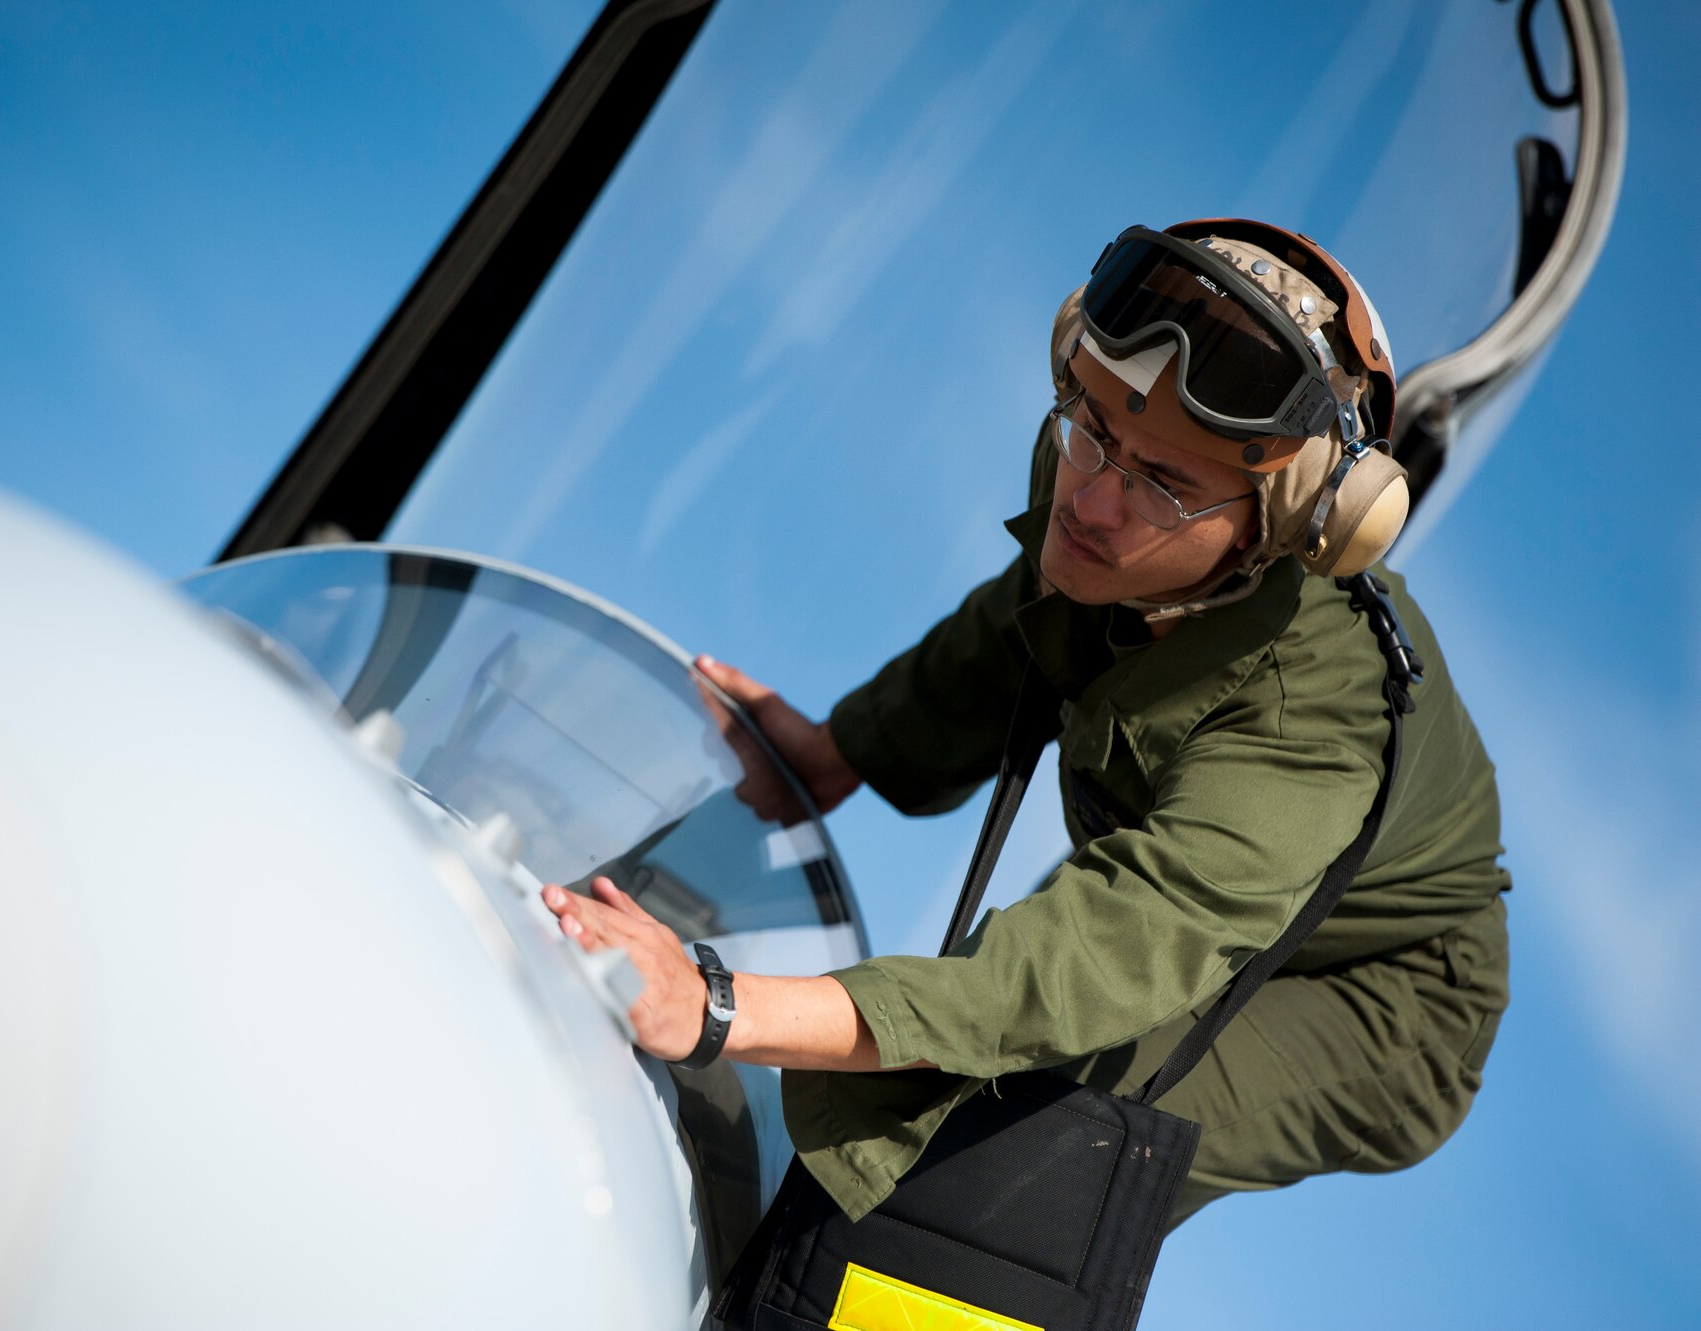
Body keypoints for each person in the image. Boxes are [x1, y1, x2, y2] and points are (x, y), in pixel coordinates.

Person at [542, 218, 1509, 1227]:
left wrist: (718, 1006)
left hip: (1377, 1000)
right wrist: (842, 751)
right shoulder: (1098, 469)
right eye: (1087, 422)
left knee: (1026, 1133)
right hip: (1177, 877)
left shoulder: (1305, 714)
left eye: (1165, 482)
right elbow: (1020, 620)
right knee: (963, 1035)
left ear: (1286, 524)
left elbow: (1097, 956)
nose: (1092, 498)